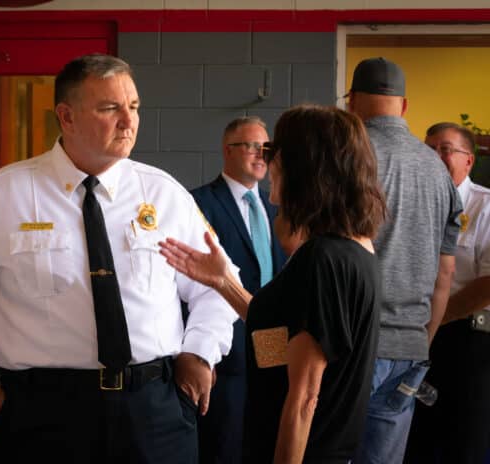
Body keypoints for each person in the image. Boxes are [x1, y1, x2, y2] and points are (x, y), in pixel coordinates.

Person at [0, 53, 237, 463]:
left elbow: (220, 284)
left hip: (154, 411)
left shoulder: (163, 194)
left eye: (133, 107)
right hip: (44, 415)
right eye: (109, 108)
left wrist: (200, 351)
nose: (128, 120)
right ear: (66, 117)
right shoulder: (5, 194)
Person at [160, 104, 386, 463]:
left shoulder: (324, 259)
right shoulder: (353, 249)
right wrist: (223, 282)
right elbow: (280, 344)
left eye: (273, 150)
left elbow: (305, 397)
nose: (267, 161)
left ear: (304, 166)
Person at [345, 57, 462, 464]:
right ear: (405, 106)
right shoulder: (439, 171)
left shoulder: (348, 157)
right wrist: (420, 342)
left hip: (351, 346)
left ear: (352, 101)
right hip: (410, 350)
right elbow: (445, 273)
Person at [190, 116, 286, 464]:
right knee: (225, 441)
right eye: (251, 146)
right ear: (227, 151)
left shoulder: (278, 206)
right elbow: (191, 282)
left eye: (266, 148)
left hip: (273, 340)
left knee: (267, 433)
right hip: (226, 343)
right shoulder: (199, 203)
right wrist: (201, 351)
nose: (261, 154)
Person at [405, 122, 490, 464]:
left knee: (464, 441)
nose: (435, 157)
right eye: (428, 150)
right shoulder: (411, 205)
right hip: (413, 337)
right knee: (416, 439)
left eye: (445, 149)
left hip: (466, 341)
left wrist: (438, 317)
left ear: (468, 161)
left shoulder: (484, 207)